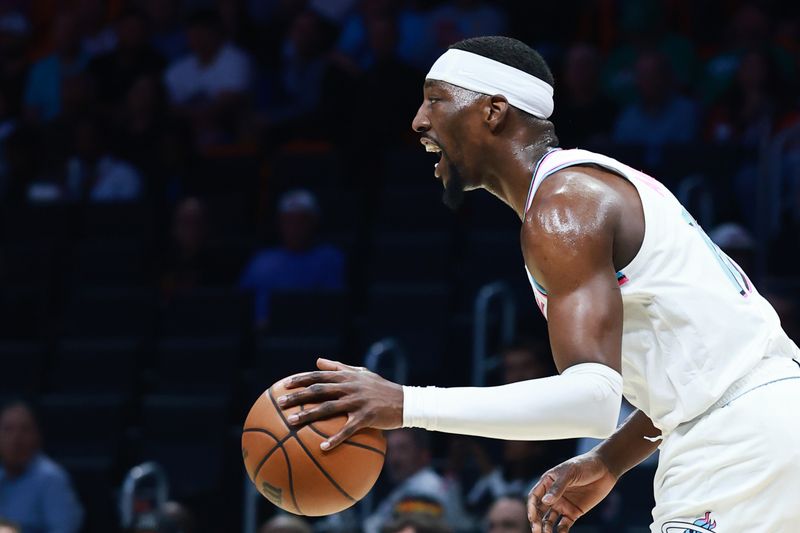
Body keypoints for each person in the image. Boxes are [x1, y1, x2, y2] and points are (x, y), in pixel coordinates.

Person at [277, 36, 800, 532]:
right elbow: (698, 373)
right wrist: (610, 460)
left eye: (435, 100)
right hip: (764, 418)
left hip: (738, 442)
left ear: (493, 112)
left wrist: (406, 403)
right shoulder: (589, 187)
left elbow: (590, 399)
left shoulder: (563, 207)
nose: (418, 121)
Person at [239, 189, 345, 328]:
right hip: (262, 338)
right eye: (288, 220)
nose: (294, 227)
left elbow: (333, 310)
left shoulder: (330, 259)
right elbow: (240, 306)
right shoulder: (261, 261)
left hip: (310, 338)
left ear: (314, 222)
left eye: (301, 220)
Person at [0, 401, 84, 533]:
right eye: (8, 429)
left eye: (24, 429)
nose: (15, 439)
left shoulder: (52, 479)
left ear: (37, 436)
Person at [363, 429, 462, 533]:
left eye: (402, 449)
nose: (394, 458)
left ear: (424, 455)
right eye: (390, 450)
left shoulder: (429, 486)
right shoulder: (402, 488)